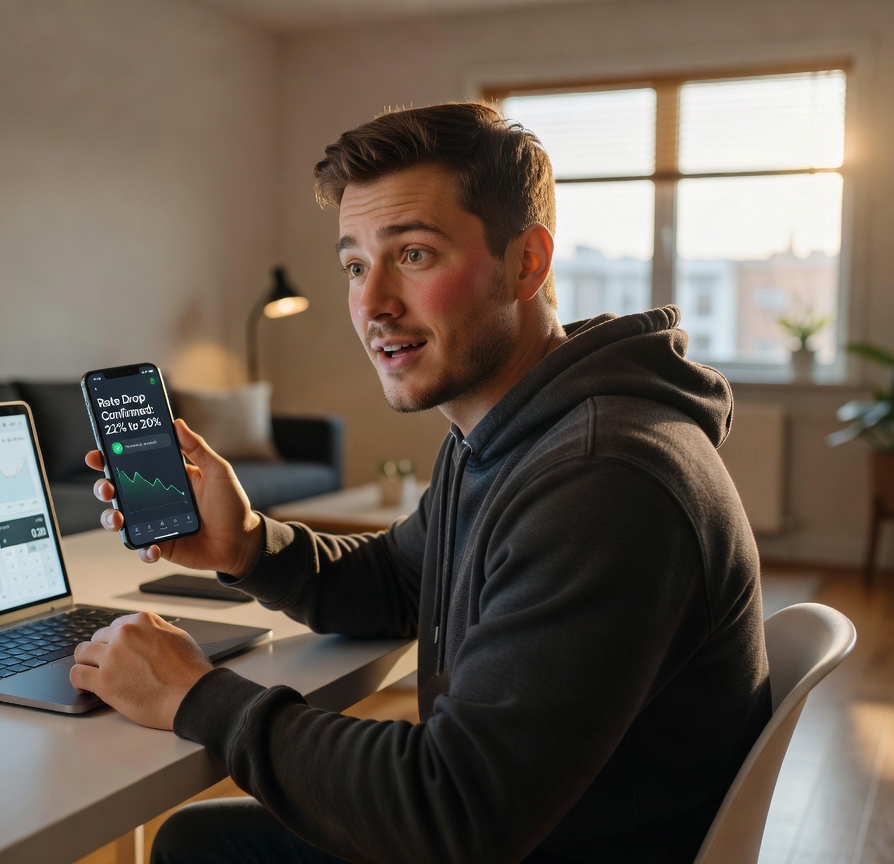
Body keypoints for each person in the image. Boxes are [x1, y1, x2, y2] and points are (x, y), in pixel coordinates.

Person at [71, 101, 771, 863]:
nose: (371, 305)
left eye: (413, 255)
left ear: (526, 263)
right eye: (354, 265)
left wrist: (195, 696)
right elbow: (403, 582)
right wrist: (246, 545)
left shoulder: (600, 479)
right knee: (201, 838)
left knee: (202, 849)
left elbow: (452, 811)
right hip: (546, 825)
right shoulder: (507, 436)